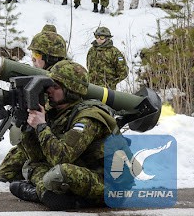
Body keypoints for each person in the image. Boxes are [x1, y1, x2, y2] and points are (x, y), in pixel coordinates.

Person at [9, 60, 120, 210]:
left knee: (60, 173)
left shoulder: (88, 117)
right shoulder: (58, 112)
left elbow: (61, 157)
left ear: (71, 90)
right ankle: (47, 194)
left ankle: (43, 194)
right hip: (85, 169)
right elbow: (37, 156)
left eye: (55, 87)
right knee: (31, 165)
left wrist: (41, 126)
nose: (49, 90)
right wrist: (28, 128)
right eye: (49, 85)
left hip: (111, 183)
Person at [0, 24, 67, 182]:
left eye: (36, 54)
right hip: (40, 134)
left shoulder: (66, 83)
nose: (32, 59)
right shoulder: (40, 79)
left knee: (31, 169)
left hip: (56, 140)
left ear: (50, 57)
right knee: (5, 172)